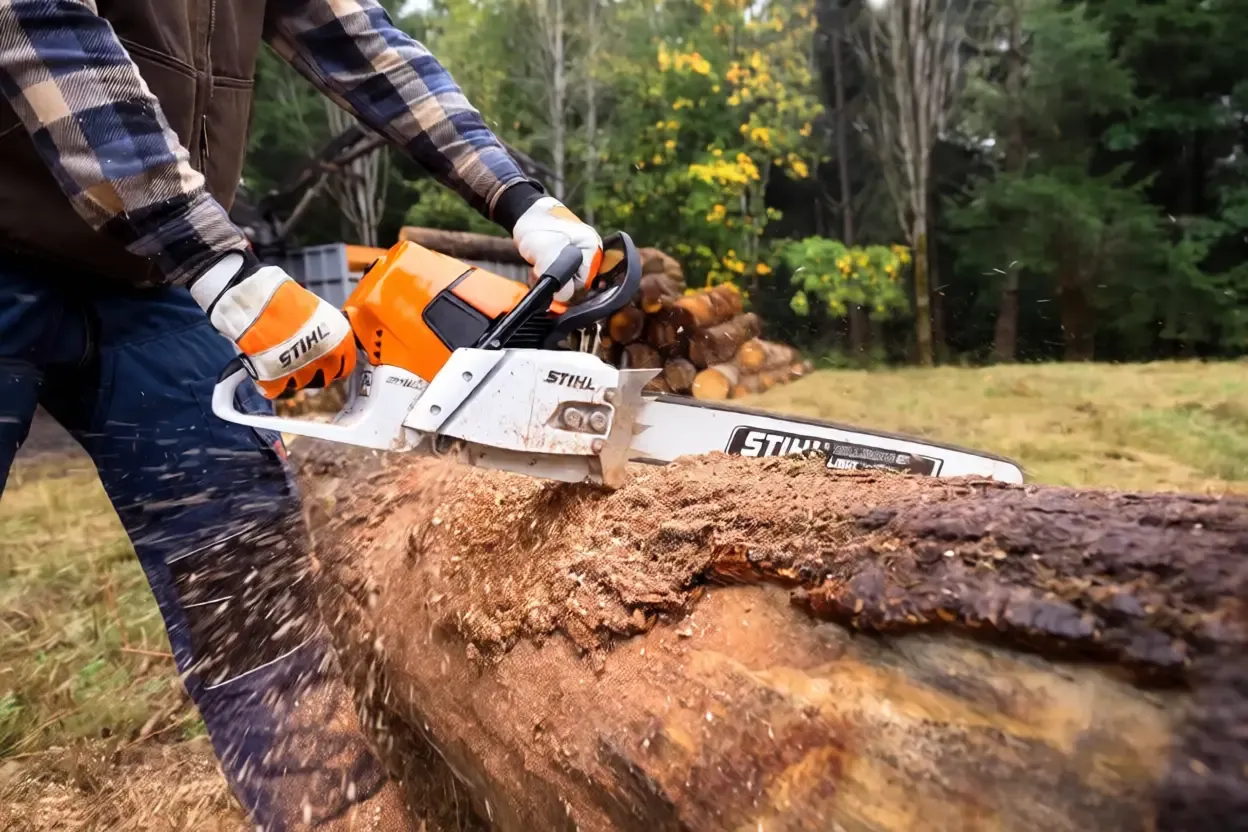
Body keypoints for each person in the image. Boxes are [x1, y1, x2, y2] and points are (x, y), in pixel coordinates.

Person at [0, 1, 603, 829]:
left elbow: (367, 50)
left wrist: (519, 194)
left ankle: (328, 812)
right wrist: (219, 263)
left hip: (147, 280)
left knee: (249, 568)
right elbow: (43, 27)